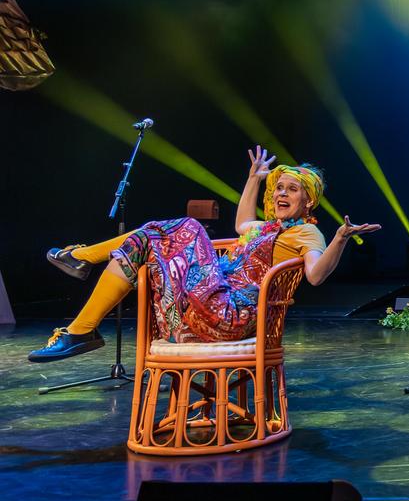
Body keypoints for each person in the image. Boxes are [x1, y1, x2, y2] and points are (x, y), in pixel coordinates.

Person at [29, 146, 381, 362]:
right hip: (201, 307)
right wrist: (255, 178)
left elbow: (315, 276)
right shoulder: (265, 228)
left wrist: (339, 239)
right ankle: (81, 330)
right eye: (278, 189)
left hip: (232, 314)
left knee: (188, 226)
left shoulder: (307, 232)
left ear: (308, 201)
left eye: (292, 190)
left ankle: (82, 258)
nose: (281, 194)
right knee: (143, 242)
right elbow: (243, 223)